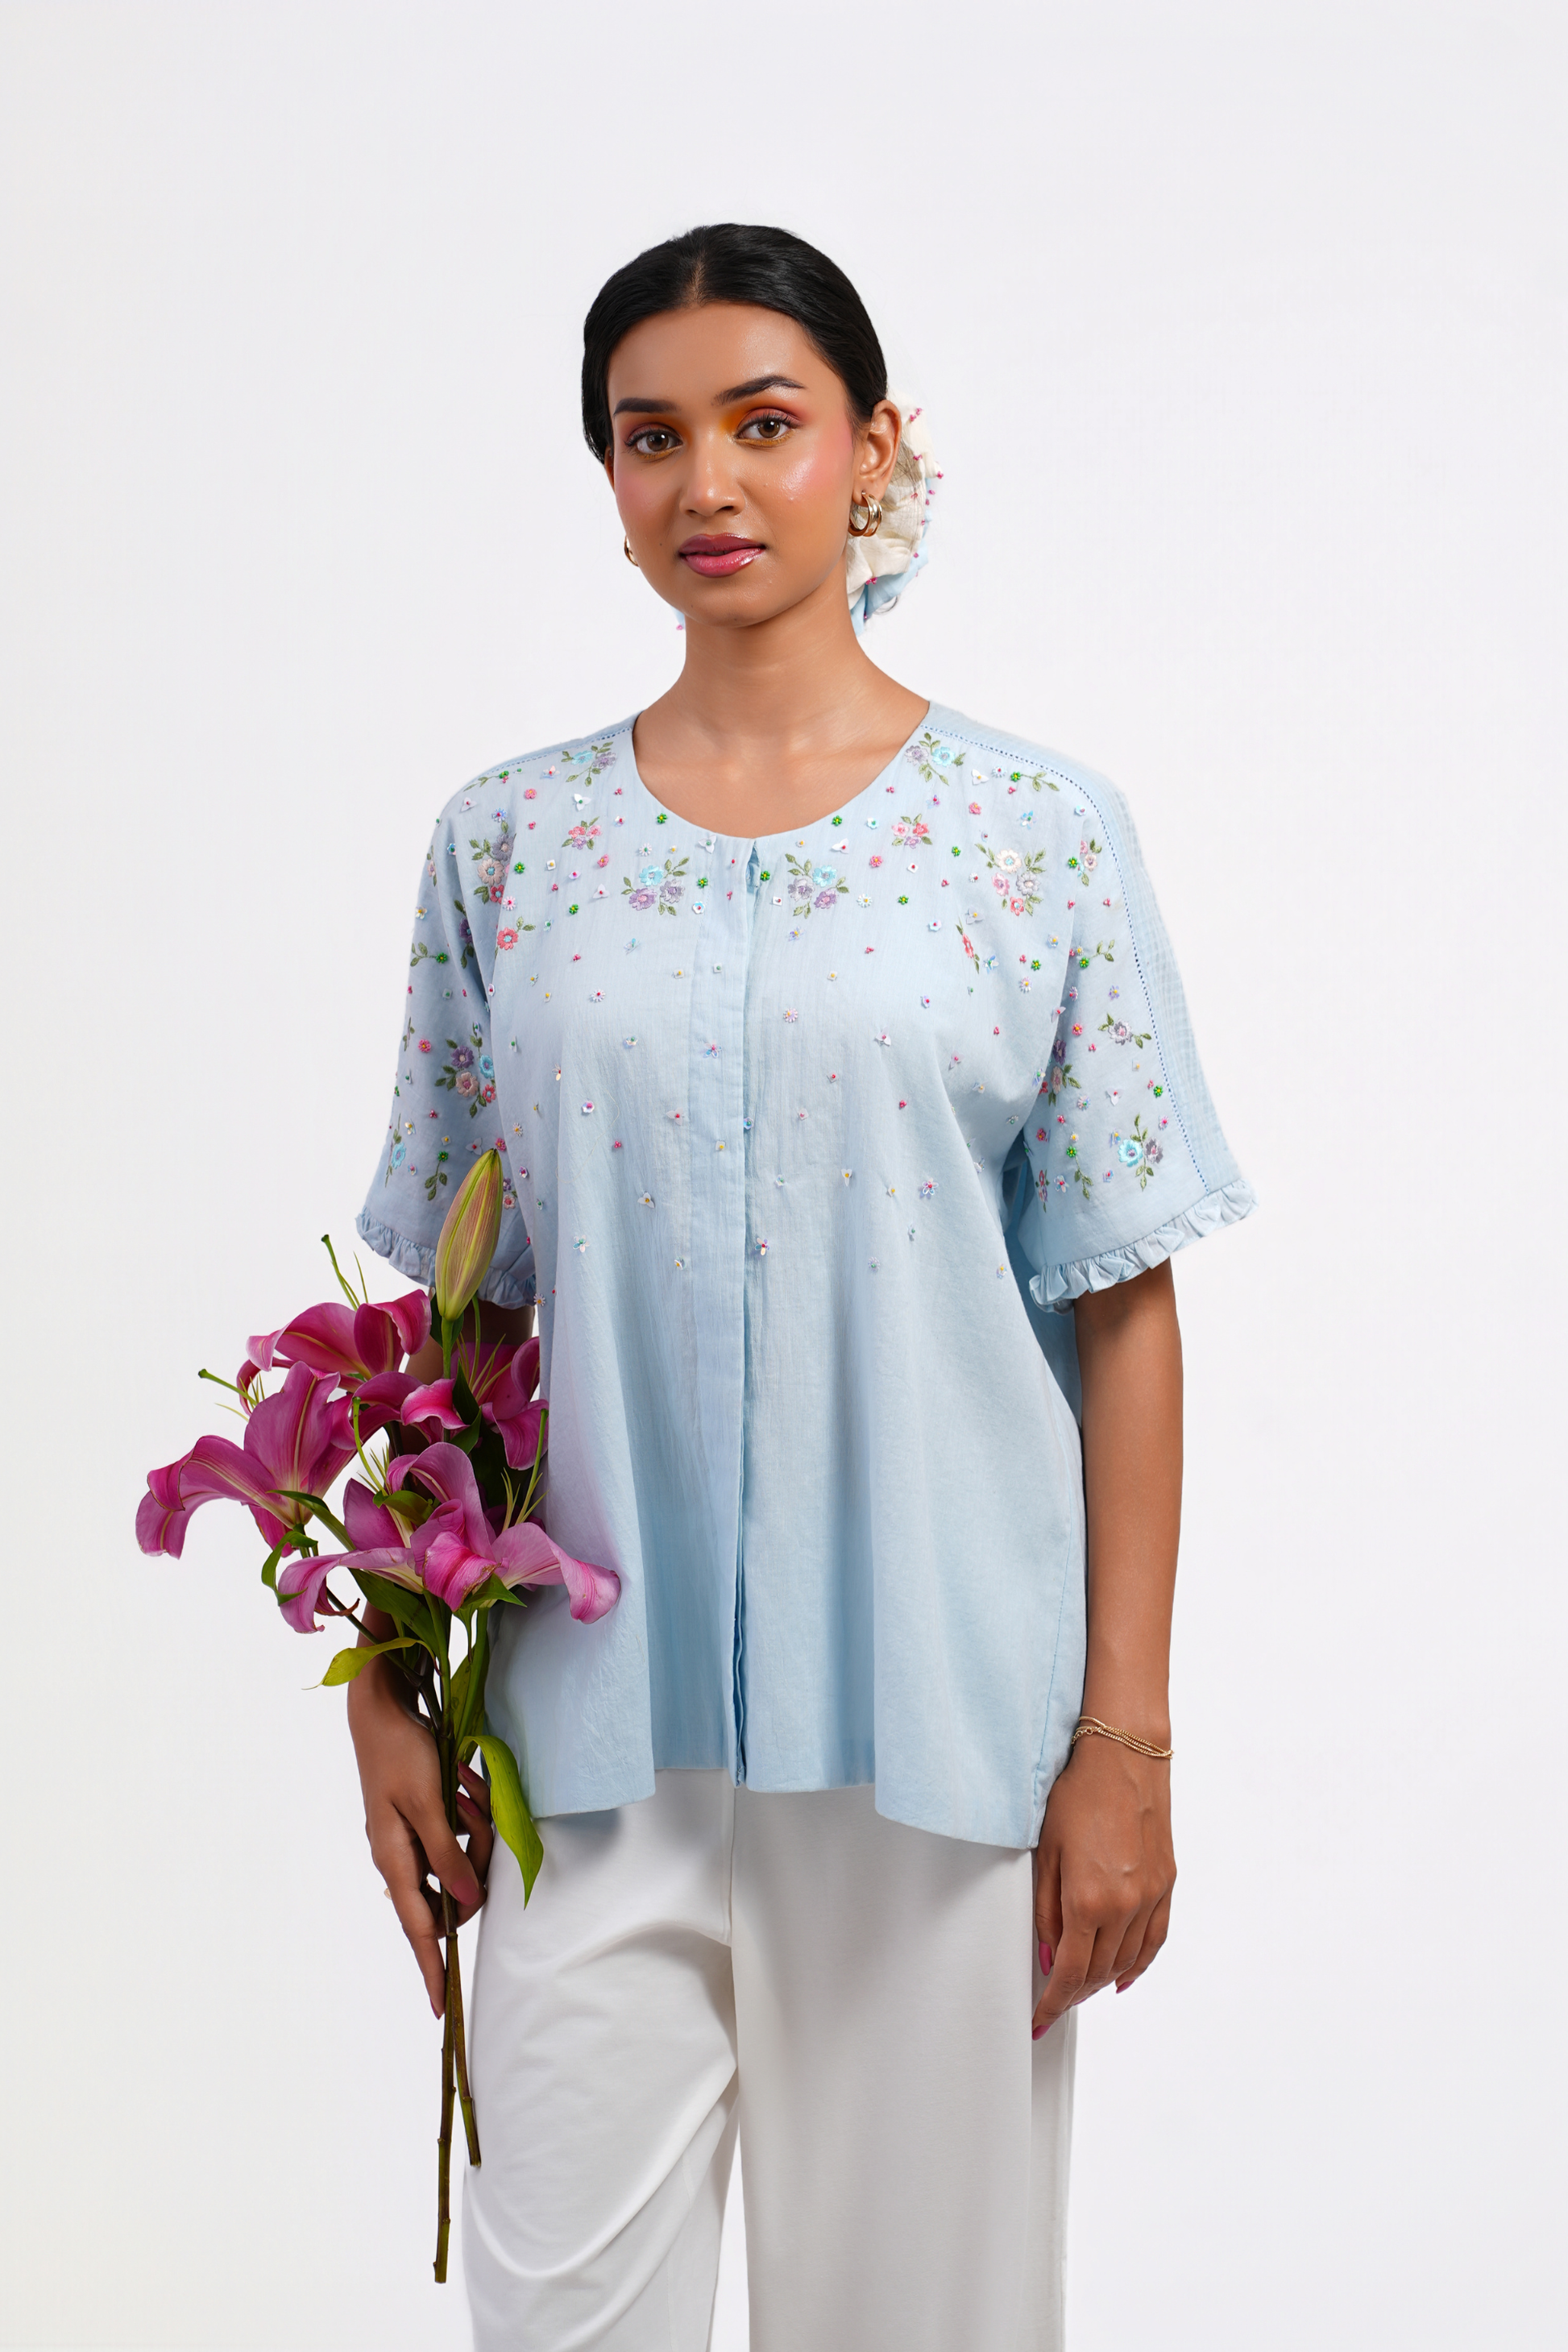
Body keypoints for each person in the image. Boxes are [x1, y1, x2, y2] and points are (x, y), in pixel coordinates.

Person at [346, 221, 1255, 2351]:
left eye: (765, 424)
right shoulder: (508, 849)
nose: (710, 484)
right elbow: (466, 1310)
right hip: (584, 1749)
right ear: (608, 476)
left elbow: (1122, 1304)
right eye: (650, 437)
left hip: (940, 1741)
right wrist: (392, 1661)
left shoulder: (1039, 835)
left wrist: (1124, 1739)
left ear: (873, 447)